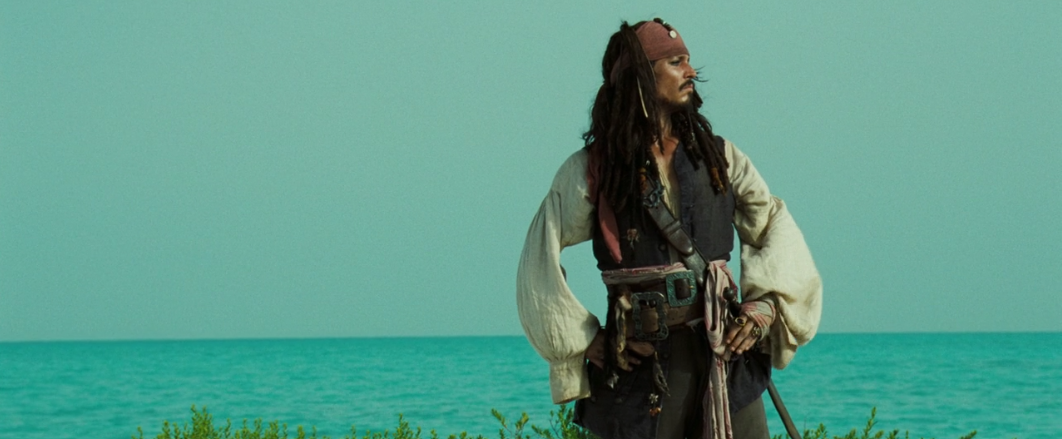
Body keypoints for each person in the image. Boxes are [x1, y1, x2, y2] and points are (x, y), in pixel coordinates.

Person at [516, 19, 822, 439]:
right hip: (641, 369)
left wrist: (764, 307)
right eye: (676, 62)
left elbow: (774, 226)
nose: (690, 72)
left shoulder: (720, 157)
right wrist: (583, 339)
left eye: (688, 61)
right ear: (640, 76)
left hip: (725, 357)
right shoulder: (593, 170)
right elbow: (539, 257)